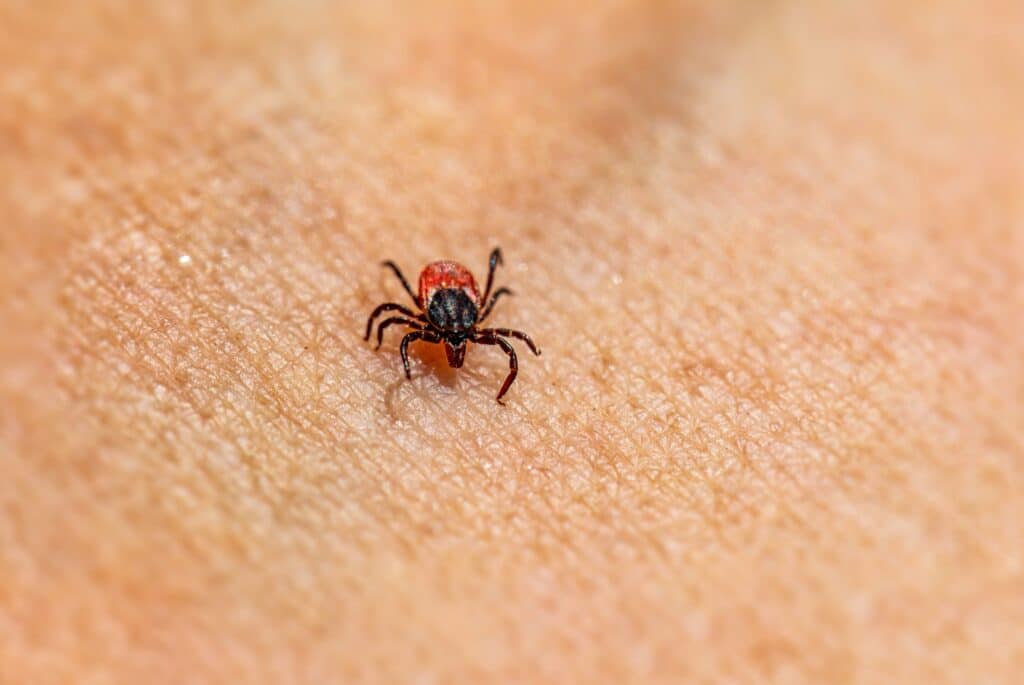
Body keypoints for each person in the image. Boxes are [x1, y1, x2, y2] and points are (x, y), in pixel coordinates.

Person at [3, 1, 1022, 682]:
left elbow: (478, 327)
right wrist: (427, 362)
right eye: (447, 335)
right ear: (441, 319)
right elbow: (408, 321)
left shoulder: (472, 318)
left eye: (457, 336)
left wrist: (486, 384)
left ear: (464, 320)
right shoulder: (434, 316)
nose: (449, 337)